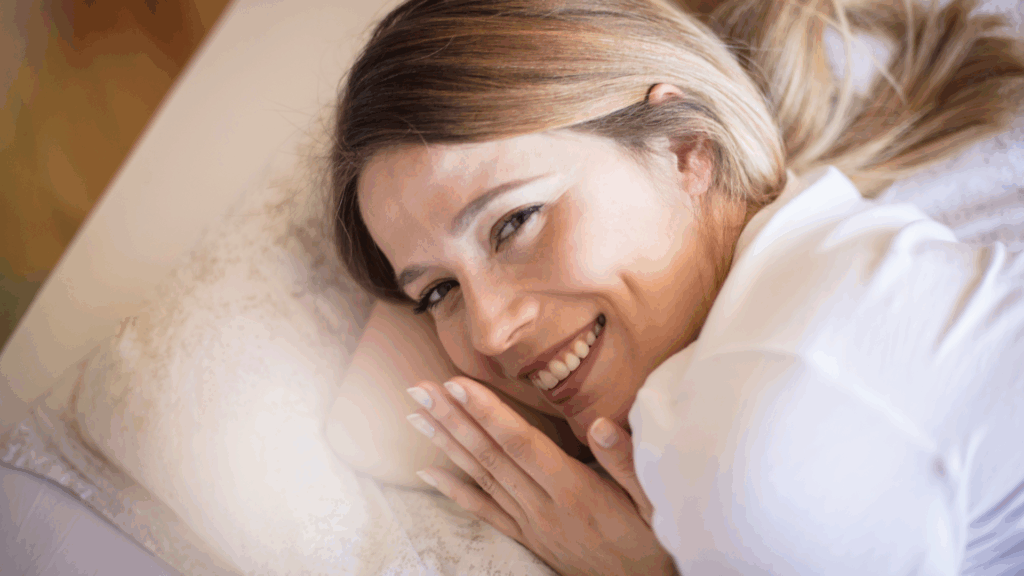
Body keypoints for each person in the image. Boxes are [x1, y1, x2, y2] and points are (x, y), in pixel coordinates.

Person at [323, 0, 1024, 573]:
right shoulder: (818, 252)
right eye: (437, 292)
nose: (488, 332)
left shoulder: (764, 445)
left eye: (515, 222)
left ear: (686, 147)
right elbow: (358, 424)